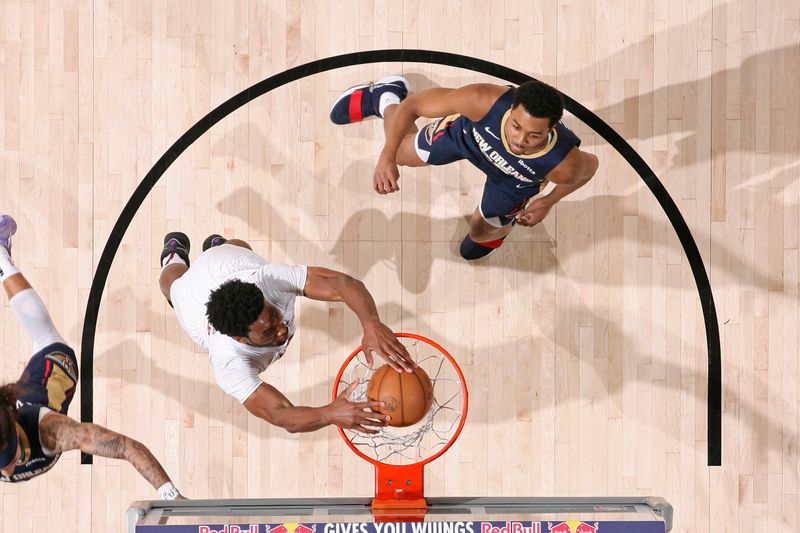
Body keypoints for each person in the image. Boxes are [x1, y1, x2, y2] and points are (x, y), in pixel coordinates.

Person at [158, 232, 416, 434]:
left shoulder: (269, 280)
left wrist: (371, 323)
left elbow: (342, 284)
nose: (283, 328)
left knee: (238, 248)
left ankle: (219, 246)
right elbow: (281, 415)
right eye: (269, 330)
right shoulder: (229, 362)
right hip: (191, 295)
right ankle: (174, 255)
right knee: (170, 285)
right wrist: (329, 413)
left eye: (275, 316)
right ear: (240, 339)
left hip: (227, 262)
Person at [0, 215, 183, 499]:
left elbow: (124, 447)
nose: (7, 473)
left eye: (8, 460)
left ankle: (1, 254)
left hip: (54, 367)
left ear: (13, 430)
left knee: (45, 336)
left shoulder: (54, 433)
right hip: (29, 395)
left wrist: (171, 495)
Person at [329, 76, 600, 260]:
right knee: (400, 151)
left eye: (534, 135)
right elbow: (413, 106)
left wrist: (549, 200)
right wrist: (385, 157)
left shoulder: (563, 163)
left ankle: (491, 233)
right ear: (512, 108)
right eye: (516, 126)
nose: (520, 140)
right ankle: (385, 96)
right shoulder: (481, 100)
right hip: (467, 137)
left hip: (512, 182)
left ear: (550, 129)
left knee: (481, 230)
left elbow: (590, 167)